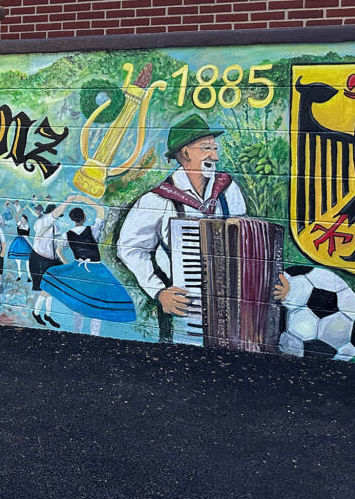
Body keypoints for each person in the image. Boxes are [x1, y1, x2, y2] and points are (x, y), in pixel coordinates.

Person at [116, 114, 288, 342]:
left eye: (215, 148)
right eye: (206, 148)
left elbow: (248, 241)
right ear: (186, 153)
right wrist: (158, 291)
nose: (215, 156)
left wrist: (273, 280)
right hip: (188, 310)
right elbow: (129, 248)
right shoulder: (157, 200)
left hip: (237, 309)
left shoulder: (228, 190)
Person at [40, 196, 135, 336]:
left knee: (79, 299)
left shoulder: (67, 234)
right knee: (98, 303)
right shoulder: (93, 230)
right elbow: (100, 210)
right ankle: (94, 335)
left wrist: (69, 265)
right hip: (96, 270)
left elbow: (58, 251)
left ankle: (77, 332)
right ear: (84, 217)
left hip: (78, 269)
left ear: (72, 219)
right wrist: (83, 199)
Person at [30, 197, 75, 327]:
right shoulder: (43, 222)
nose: (57, 217)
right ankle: (36, 313)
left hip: (50, 260)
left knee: (51, 289)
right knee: (46, 289)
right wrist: (68, 201)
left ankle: (48, 315)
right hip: (40, 259)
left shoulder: (55, 227)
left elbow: (57, 245)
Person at [6, 212, 34, 281]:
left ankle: (29, 276)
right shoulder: (19, 224)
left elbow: (27, 237)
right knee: (18, 261)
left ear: (26, 220)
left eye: (23, 219)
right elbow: (16, 217)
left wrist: (31, 247)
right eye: (21, 219)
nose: (22, 220)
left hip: (25, 244)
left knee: (27, 261)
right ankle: (19, 275)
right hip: (18, 244)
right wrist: (21, 210)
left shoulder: (27, 226)